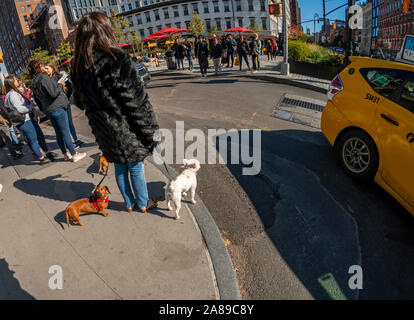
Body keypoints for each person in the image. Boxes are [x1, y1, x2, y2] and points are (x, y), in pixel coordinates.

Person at [71, 12, 160, 213]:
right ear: (105, 31)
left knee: (120, 167)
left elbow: (79, 102)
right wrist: (152, 133)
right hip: (125, 126)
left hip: (104, 130)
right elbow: (136, 102)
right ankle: (144, 203)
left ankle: (129, 203)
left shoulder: (78, 67)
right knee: (135, 166)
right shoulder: (115, 58)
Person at [28, 60, 86, 162]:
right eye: (42, 65)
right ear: (40, 66)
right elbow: (54, 93)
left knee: (58, 133)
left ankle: (66, 154)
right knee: (65, 132)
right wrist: (60, 85)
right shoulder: (43, 77)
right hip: (57, 107)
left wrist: (43, 109)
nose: (44, 67)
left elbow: (37, 100)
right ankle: (74, 154)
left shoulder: (33, 82)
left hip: (48, 110)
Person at [3, 75, 52, 165]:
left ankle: (43, 154)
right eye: (15, 80)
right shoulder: (12, 95)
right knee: (33, 139)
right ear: (11, 82)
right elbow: (20, 109)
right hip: (24, 120)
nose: (17, 80)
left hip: (23, 121)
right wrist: (31, 106)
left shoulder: (10, 94)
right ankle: (42, 158)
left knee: (35, 138)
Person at [44, 62, 84, 149]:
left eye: (47, 68)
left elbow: (70, 87)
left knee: (70, 123)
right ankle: (69, 144)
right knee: (63, 126)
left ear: (52, 68)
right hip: (57, 106)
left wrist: (66, 97)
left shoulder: (60, 76)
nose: (45, 70)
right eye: (45, 69)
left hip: (65, 103)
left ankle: (76, 140)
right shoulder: (46, 80)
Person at [0, 85, 24, 159]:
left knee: (10, 135)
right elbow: (3, 110)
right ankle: (14, 154)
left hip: (5, 119)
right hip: (4, 121)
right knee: (8, 138)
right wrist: (3, 120)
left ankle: (15, 150)